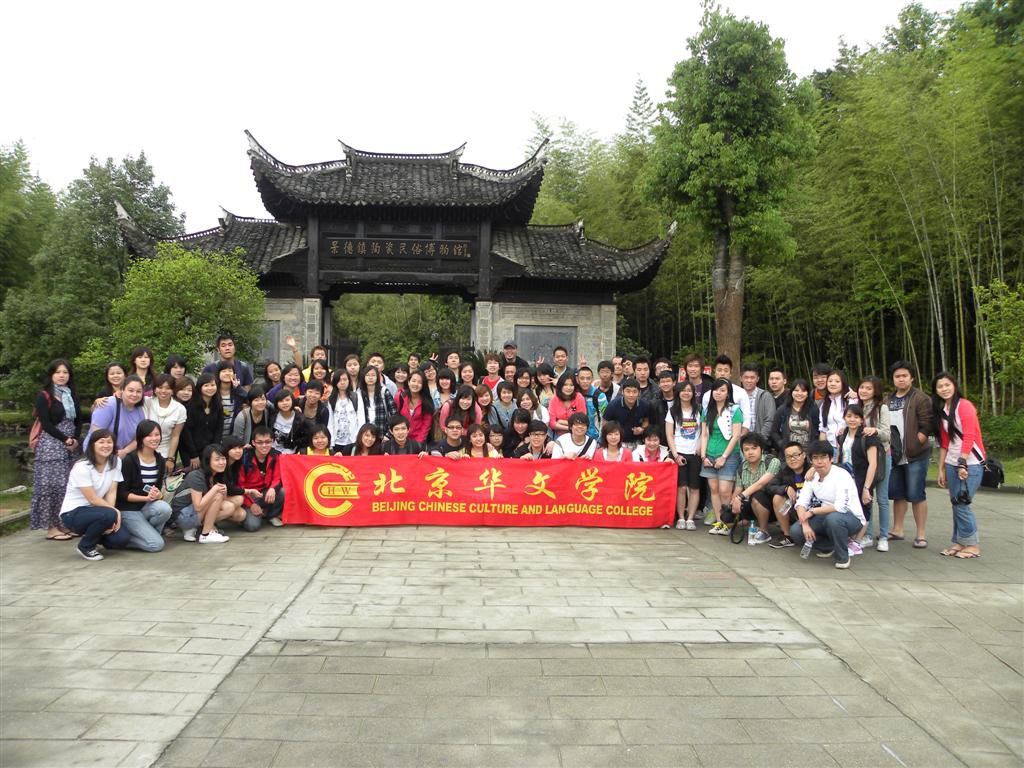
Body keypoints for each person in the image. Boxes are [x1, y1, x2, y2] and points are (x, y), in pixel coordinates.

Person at [788, 440, 867, 569]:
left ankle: (843, 558)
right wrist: (805, 524)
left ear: (831, 459)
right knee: (796, 531)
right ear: (811, 461)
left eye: (823, 457)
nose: (819, 462)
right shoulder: (812, 476)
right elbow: (801, 502)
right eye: (815, 458)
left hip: (850, 517)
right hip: (825, 515)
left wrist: (812, 511)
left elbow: (840, 507)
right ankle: (831, 545)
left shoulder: (841, 475)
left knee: (834, 519)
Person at [933, 372, 985, 559]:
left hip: (970, 463)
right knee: (955, 504)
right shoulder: (944, 410)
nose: (944, 389)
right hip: (951, 463)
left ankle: (973, 545)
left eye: (947, 385)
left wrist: (962, 463)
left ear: (954, 385)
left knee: (962, 503)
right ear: (936, 391)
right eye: (940, 386)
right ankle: (959, 542)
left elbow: (969, 436)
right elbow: (945, 442)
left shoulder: (965, 406)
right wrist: (940, 468)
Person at [57, 429, 131, 560]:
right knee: (109, 514)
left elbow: (111, 491)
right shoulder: (82, 466)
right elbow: (92, 499)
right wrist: (113, 512)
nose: (106, 445)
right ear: (92, 445)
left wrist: (111, 518)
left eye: (109, 442)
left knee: (121, 540)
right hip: (73, 514)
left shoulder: (116, 461)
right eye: (101, 442)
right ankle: (85, 546)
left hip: (98, 511)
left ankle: (95, 536)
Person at [30, 359, 83, 541]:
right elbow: (46, 424)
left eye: (65, 372)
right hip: (51, 446)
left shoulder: (71, 394)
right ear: (51, 375)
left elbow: (79, 420)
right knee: (51, 487)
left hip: (71, 447)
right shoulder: (44, 395)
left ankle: (63, 523)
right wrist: (65, 439)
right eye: (58, 372)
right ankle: (51, 527)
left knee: (67, 486)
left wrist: (74, 439)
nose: (62, 375)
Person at [885, 361, 934, 548]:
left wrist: (916, 443)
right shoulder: (888, 400)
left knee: (916, 493)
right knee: (898, 493)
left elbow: (927, 424)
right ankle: (897, 529)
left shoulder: (920, 398)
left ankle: (921, 534)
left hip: (915, 455)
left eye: (904, 376)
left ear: (912, 378)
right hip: (895, 455)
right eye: (897, 376)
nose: (901, 379)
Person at [115, 420, 172, 552]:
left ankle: (148, 535)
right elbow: (122, 494)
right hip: (128, 510)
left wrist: (158, 495)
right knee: (156, 545)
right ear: (141, 438)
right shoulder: (129, 460)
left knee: (165, 509)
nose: (154, 438)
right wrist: (146, 498)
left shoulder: (160, 460)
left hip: (145, 507)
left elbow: (157, 489)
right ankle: (122, 539)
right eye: (149, 435)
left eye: (157, 434)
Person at [169, 444, 241, 543]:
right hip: (183, 517)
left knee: (229, 507)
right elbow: (198, 506)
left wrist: (223, 491)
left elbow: (218, 502)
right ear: (208, 461)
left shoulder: (217, 475)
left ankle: (197, 528)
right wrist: (215, 489)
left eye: (223, 459)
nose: (221, 462)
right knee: (218, 494)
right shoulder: (196, 476)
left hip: (193, 512)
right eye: (217, 459)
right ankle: (206, 534)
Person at [700, 378, 744, 536]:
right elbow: (704, 435)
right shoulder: (707, 410)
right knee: (714, 490)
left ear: (728, 393)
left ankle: (728, 522)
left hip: (729, 455)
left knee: (725, 491)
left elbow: (736, 435)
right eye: (716, 390)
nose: (718, 393)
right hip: (709, 454)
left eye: (722, 390)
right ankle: (720, 521)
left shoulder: (735, 410)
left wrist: (724, 457)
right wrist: (703, 456)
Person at [836, 404, 882, 552]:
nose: (852, 420)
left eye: (856, 417)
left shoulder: (868, 437)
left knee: (863, 508)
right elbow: (840, 457)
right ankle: (850, 538)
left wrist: (867, 488)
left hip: (862, 479)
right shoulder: (842, 435)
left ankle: (857, 541)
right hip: (845, 479)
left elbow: (873, 464)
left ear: (862, 419)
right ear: (844, 418)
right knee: (846, 508)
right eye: (849, 416)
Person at [857, 376, 892, 550]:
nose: (864, 391)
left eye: (868, 388)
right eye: (862, 387)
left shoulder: (881, 408)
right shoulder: (857, 407)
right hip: (863, 457)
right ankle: (868, 535)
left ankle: (884, 536)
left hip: (881, 456)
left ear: (875, 391)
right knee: (866, 497)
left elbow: (887, 434)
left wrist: (874, 430)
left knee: (882, 498)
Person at [730, 433, 781, 545]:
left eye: (754, 448)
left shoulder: (772, 461)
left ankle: (764, 531)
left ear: (761, 449)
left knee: (758, 495)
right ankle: (750, 522)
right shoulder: (742, 467)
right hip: (751, 503)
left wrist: (739, 497)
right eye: (746, 449)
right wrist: (733, 504)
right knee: (727, 515)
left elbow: (760, 484)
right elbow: (738, 489)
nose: (750, 452)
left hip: (773, 505)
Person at [666, 380, 701, 530]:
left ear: (693, 393)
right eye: (683, 390)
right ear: (678, 393)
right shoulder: (673, 411)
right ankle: (681, 517)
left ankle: (690, 518)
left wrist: (700, 447)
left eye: (689, 390)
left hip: (695, 453)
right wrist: (675, 455)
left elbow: (704, 432)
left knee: (694, 488)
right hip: (679, 453)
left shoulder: (699, 410)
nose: (686, 393)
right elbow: (669, 434)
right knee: (681, 487)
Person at [236, 427, 285, 529]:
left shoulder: (276, 455)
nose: (264, 445)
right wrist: (251, 504)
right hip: (248, 495)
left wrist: (273, 489)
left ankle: (271, 515)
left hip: (265, 492)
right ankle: (246, 514)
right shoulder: (244, 457)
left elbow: (277, 477)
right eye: (260, 442)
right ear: (253, 443)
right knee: (252, 526)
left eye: (268, 442)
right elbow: (239, 485)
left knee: (282, 491)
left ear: (273, 441)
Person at [85, 375, 146, 457]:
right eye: (130, 390)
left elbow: (139, 438)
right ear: (122, 390)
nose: (134, 394)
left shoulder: (139, 411)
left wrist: (125, 451)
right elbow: (96, 433)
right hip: (97, 454)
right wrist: (110, 454)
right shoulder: (108, 404)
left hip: (120, 455)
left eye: (138, 391)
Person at [767, 442, 811, 548]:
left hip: (812, 508)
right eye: (788, 456)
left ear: (804, 455)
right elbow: (769, 486)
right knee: (778, 498)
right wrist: (785, 488)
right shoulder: (784, 470)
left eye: (796, 455)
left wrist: (814, 469)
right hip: (794, 508)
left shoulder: (813, 469)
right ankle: (787, 536)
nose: (792, 459)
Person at [179, 373, 222, 469]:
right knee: (194, 475)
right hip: (191, 451)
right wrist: (193, 455)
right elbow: (186, 433)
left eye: (213, 385)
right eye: (206, 385)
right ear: (200, 387)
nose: (210, 388)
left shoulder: (218, 405)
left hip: (210, 450)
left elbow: (219, 429)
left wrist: (214, 450)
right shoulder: (190, 406)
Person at [145, 374, 186, 472]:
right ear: (155, 389)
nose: (163, 391)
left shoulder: (180, 409)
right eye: (160, 387)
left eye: (168, 388)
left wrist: (170, 459)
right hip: (144, 451)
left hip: (164, 454)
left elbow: (175, 436)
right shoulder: (147, 402)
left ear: (173, 390)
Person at [768, 378, 819, 454]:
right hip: (789, 453)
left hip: (809, 453)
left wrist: (814, 446)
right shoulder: (783, 409)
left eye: (803, 391)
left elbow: (818, 430)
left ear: (808, 393)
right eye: (796, 390)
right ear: (791, 392)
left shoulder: (813, 409)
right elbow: (774, 431)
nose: (799, 393)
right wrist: (782, 444)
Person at [700, 355, 751, 426]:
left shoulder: (741, 393)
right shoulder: (707, 395)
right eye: (719, 370)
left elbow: (747, 418)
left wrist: (740, 432)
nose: (722, 373)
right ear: (715, 372)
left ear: (730, 372)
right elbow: (705, 420)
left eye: (726, 371)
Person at [603, 379, 651, 450]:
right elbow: (605, 424)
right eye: (628, 391)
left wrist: (642, 429)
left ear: (639, 393)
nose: (631, 395)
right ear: (622, 392)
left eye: (634, 392)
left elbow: (646, 420)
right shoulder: (613, 405)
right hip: (617, 442)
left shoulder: (644, 405)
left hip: (637, 441)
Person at [353, 365, 397, 437]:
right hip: (365, 436)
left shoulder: (384, 392)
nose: (370, 377)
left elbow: (394, 415)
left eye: (373, 375)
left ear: (377, 377)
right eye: (367, 375)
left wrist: (388, 435)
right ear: (363, 377)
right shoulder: (358, 394)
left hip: (381, 434)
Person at [818, 370, 857, 452]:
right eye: (830, 381)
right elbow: (823, 429)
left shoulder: (850, 401)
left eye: (837, 381)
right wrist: (822, 449)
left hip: (849, 446)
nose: (833, 384)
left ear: (843, 383)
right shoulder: (824, 404)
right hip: (831, 447)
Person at [739, 363, 777, 440]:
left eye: (752, 378)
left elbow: (770, 420)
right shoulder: (736, 396)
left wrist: (760, 440)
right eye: (746, 377)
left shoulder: (765, 396)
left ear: (757, 379)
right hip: (739, 440)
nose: (749, 380)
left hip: (760, 441)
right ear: (741, 379)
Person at [396, 369, 434, 444]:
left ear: (423, 385)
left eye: (420, 382)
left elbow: (426, 425)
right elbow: (395, 418)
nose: (416, 384)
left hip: (418, 440)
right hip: (400, 439)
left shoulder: (426, 402)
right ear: (408, 382)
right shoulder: (400, 397)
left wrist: (417, 443)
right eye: (413, 381)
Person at [327, 369, 359, 455]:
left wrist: (358, 439)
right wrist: (331, 442)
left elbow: (360, 418)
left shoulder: (355, 397)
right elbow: (330, 422)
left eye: (345, 379)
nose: (342, 382)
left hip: (352, 441)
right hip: (336, 442)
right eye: (339, 380)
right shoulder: (331, 399)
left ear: (349, 381)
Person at [214, 360, 247, 439]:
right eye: (223, 371)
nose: (227, 373)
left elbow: (250, 398)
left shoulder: (237, 393)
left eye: (230, 371)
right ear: (218, 374)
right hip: (215, 436)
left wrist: (238, 388)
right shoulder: (213, 392)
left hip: (232, 437)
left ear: (234, 374)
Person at [548, 373, 587, 438]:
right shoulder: (554, 399)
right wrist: (570, 427)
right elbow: (552, 423)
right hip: (559, 436)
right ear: (560, 385)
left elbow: (582, 421)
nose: (568, 388)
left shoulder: (579, 398)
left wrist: (561, 422)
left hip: (577, 435)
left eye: (571, 385)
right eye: (565, 385)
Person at [576, 366, 608, 440]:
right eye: (582, 378)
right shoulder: (574, 394)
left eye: (588, 378)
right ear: (577, 380)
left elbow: (606, 418)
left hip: (595, 437)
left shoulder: (600, 396)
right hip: (577, 436)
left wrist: (601, 438)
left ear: (592, 379)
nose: (585, 381)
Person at [267, 390, 304, 454]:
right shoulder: (273, 414)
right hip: (271, 448)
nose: (284, 403)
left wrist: (293, 444)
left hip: (289, 451)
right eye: (281, 401)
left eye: (287, 400)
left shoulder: (300, 418)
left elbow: (304, 438)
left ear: (292, 400)